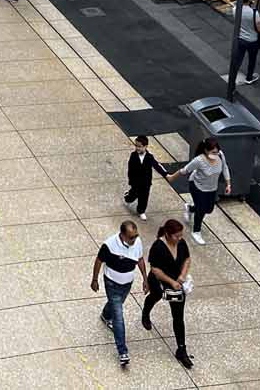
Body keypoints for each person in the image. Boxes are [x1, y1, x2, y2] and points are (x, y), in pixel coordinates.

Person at [141, 218, 194, 369]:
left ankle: (181, 349)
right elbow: (155, 269)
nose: (179, 238)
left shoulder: (181, 243)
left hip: (177, 283)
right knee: (155, 296)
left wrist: (182, 276)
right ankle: (146, 312)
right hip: (160, 281)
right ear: (168, 234)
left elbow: (187, 259)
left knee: (178, 316)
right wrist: (171, 282)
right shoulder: (158, 247)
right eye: (176, 236)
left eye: (180, 235)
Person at [91, 220, 143, 368]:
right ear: (122, 235)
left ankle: (105, 314)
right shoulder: (109, 245)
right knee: (118, 316)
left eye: (136, 235)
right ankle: (122, 352)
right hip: (112, 284)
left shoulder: (137, 242)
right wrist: (94, 280)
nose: (134, 239)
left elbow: (139, 259)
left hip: (127, 283)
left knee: (116, 305)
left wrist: (145, 279)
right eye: (131, 237)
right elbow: (99, 261)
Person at [168, 137, 231, 245]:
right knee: (201, 210)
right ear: (206, 151)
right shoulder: (199, 160)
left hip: (212, 188)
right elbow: (185, 170)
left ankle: (190, 208)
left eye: (217, 152)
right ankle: (196, 231)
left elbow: (225, 168)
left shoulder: (220, 155)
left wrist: (228, 184)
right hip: (197, 187)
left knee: (209, 209)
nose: (216, 154)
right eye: (213, 152)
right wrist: (172, 177)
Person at [226, 0, 260, 100]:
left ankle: (232, 81)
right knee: (252, 59)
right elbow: (259, 29)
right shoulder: (254, 13)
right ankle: (249, 77)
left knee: (238, 60)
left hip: (240, 39)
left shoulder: (235, 10)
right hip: (252, 40)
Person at [124, 135, 169, 220]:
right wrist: (131, 180)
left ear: (145, 146)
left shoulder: (149, 157)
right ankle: (127, 197)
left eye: (139, 146)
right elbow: (130, 169)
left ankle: (141, 211)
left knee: (144, 197)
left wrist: (165, 174)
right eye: (136, 146)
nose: (137, 148)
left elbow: (157, 166)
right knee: (133, 195)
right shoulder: (133, 155)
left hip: (146, 182)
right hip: (136, 182)